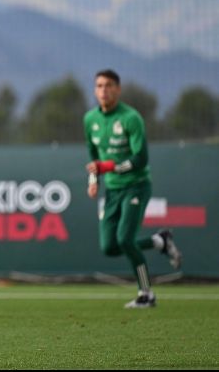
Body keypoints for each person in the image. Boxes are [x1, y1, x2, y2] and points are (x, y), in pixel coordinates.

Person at [84, 69, 182, 309]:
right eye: (99, 86)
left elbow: (141, 158)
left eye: (108, 85)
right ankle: (160, 242)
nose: (103, 90)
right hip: (112, 190)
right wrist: (94, 180)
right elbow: (94, 157)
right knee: (109, 247)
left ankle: (146, 294)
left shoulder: (130, 118)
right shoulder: (90, 120)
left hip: (136, 186)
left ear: (118, 89)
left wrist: (113, 167)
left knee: (126, 239)